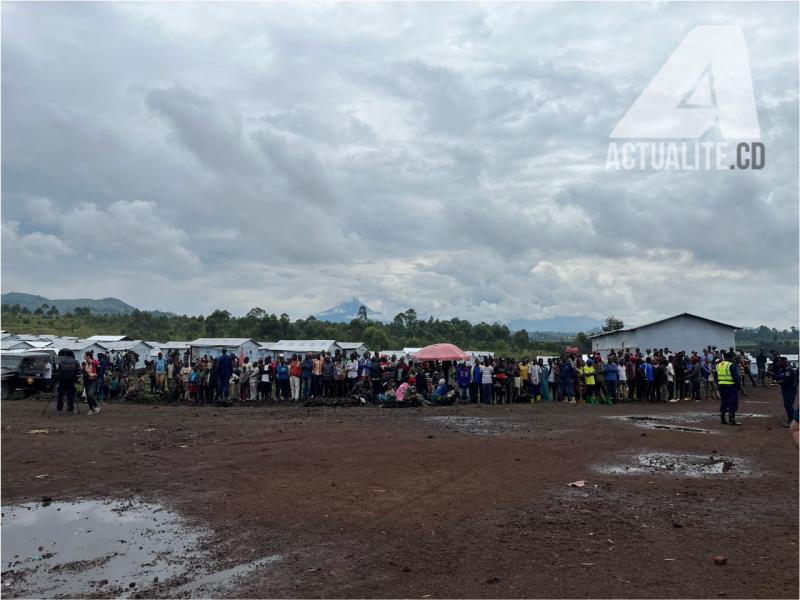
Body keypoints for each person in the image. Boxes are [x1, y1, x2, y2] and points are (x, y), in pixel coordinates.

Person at [716, 352, 742, 425]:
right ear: (729, 358)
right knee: (732, 403)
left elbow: (716, 377)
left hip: (721, 385)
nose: (734, 359)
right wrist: (739, 387)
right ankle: (732, 420)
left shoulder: (718, 365)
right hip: (731, 386)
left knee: (723, 402)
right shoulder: (731, 365)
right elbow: (736, 378)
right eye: (733, 358)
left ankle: (722, 419)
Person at [773, 356, 798, 428]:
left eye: (780, 362)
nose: (778, 363)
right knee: (788, 405)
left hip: (790, 390)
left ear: (783, 362)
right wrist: (774, 375)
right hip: (786, 390)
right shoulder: (783, 369)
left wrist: (777, 382)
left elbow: (786, 381)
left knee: (788, 405)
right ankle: (792, 420)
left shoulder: (788, 370)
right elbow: (780, 377)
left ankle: (792, 421)